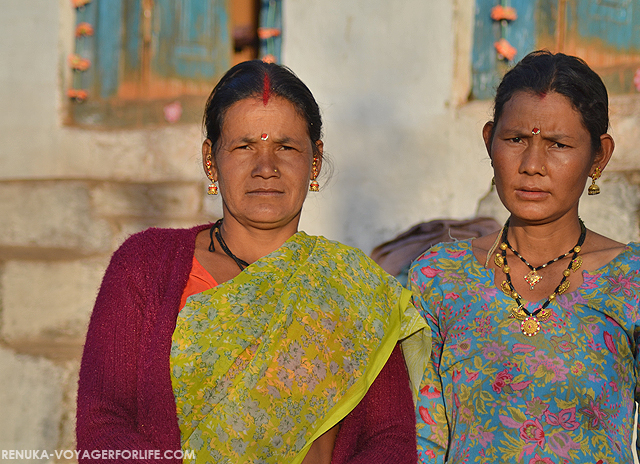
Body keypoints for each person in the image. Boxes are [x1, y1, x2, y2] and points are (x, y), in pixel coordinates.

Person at [76, 60, 429, 464]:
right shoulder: (144, 267)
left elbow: (391, 440)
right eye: (245, 146)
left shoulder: (356, 290)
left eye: (286, 147)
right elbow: (103, 425)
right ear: (212, 159)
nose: (266, 169)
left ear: (314, 161)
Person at [410, 50, 640, 463]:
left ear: (598, 156)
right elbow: (423, 442)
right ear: (489, 139)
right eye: (515, 140)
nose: (532, 165)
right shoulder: (440, 276)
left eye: (558, 145)